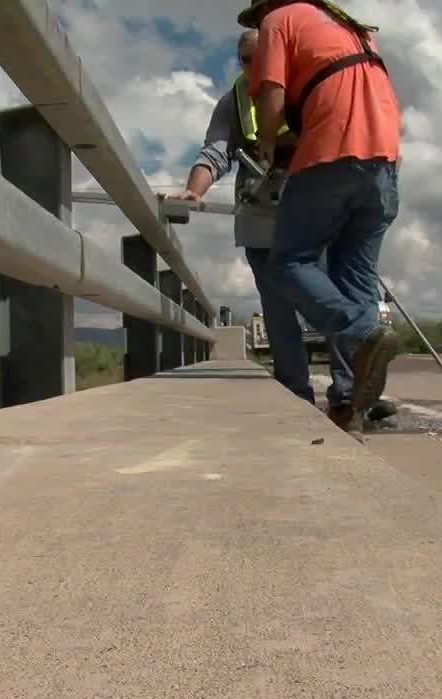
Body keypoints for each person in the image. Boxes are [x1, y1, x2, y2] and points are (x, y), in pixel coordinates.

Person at [171, 29, 396, 425]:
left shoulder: (308, 89)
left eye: (264, 57)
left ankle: (350, 395)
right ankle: (297, 396)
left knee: (332, 299)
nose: (256, 67)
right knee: (279, 314)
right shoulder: (233, 104)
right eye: (246, 59)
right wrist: (194, 189)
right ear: (239, 62)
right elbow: (214, 153)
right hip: (263, 216)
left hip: (314, 213)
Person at [239, 0, 403, 431]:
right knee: (356, 280)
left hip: (331, 153)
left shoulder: (279, 19)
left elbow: (272, 91)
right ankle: (352, 403)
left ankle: (357, 333)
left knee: (288, 262)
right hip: (385, 162)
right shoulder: (351, 26)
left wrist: (269, 146)